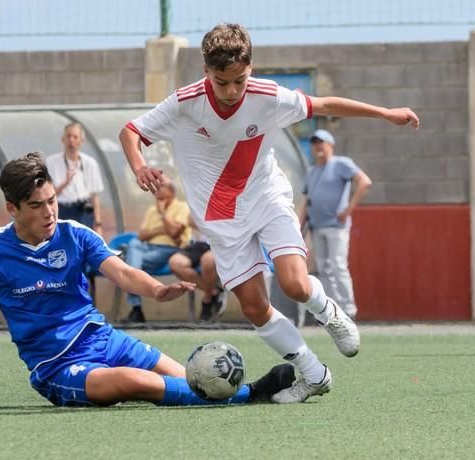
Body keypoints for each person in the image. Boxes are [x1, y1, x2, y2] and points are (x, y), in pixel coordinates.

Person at [120, 23, 419, 404]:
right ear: (206, 72)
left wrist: (386, 113)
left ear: (251, 69)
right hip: (221, 219)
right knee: (254, 306)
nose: (231, 92)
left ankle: (330, 313)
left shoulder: (268, 95)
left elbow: (324, 104)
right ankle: (314, 374)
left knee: (294, 283)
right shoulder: (184, 102)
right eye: (221, 82)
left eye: (239, 81)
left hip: (267, 198)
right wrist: (139, 166)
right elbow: (131, 131)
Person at [0, 153, 295, 407]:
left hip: (105, 339)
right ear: (12, 208)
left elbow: (124, 273)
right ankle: (250, 395)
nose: (48, 211)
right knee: (136, 382)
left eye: (51, 201)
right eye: (36, 206)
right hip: (58, 367)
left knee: (189, 375)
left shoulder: (75, 234)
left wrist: (158, 290)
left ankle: (234, 393)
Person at [298, 129, 372, 320]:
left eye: (321, 142)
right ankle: (333, 311)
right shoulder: (312, 171)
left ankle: (349, 310)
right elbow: (307, 200)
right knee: (324, 268)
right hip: (317, 226)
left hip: (336, 226)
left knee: (338, 266)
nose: (317, 146)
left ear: (331, 144)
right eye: (314, 143)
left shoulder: (341, 164)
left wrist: (348, 210)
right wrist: (298, 226)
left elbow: (364, 182)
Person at [46, 123, 104, 297]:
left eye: (75, 137)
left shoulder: (89, 163)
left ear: (81, 141)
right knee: (62, 255)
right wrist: (65, 182)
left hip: (83, 211)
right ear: (63, 140)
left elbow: (94, 196)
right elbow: (48, 194)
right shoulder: (52, 162)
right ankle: (64, 295)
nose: (71, 141)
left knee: (84, 254)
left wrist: (98, 223)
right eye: (68, 136)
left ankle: (84, 296)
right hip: (63, 210)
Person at [122, 179, 191, 323]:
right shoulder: (151, 210)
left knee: (127, 267)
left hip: (170, 250)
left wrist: (162, 213)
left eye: (161, 186)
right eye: (156, 186)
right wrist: (161, 229)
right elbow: (142, 236)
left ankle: (136, 308)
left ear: (171, 191)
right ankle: (130, 267)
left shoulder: (182, 207)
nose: (157, 189)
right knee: (134, 243)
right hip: (146, 248)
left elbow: (174, 234)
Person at [168, 215, 225, 321]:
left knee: (208, 261)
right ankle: (214, 292)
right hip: (197, 245)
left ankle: (207, 299)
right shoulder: (199, 199)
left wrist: (205, 224)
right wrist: (215, 225)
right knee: (175, 263)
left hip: (220, 243)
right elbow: (190, 220)